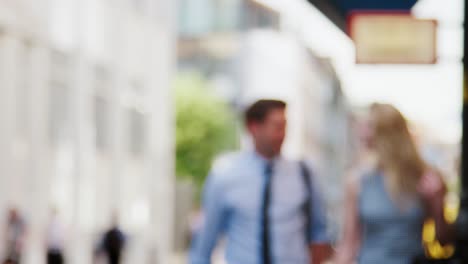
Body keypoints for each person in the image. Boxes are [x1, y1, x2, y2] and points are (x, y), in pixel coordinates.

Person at [190, 99, 332, 264]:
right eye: (277, 127)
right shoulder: (225, 176)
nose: (282, 135)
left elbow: (318, 234)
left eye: (285, 127)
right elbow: (205, 242)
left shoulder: (304, 173)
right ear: (253, 127)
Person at [334, 103, 454, 264]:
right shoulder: (358, 181)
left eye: (369, 126)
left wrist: (438, 203)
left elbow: (444, 241)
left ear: (388, 133)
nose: (361, 132)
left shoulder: (424, 178)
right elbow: (348, 245)